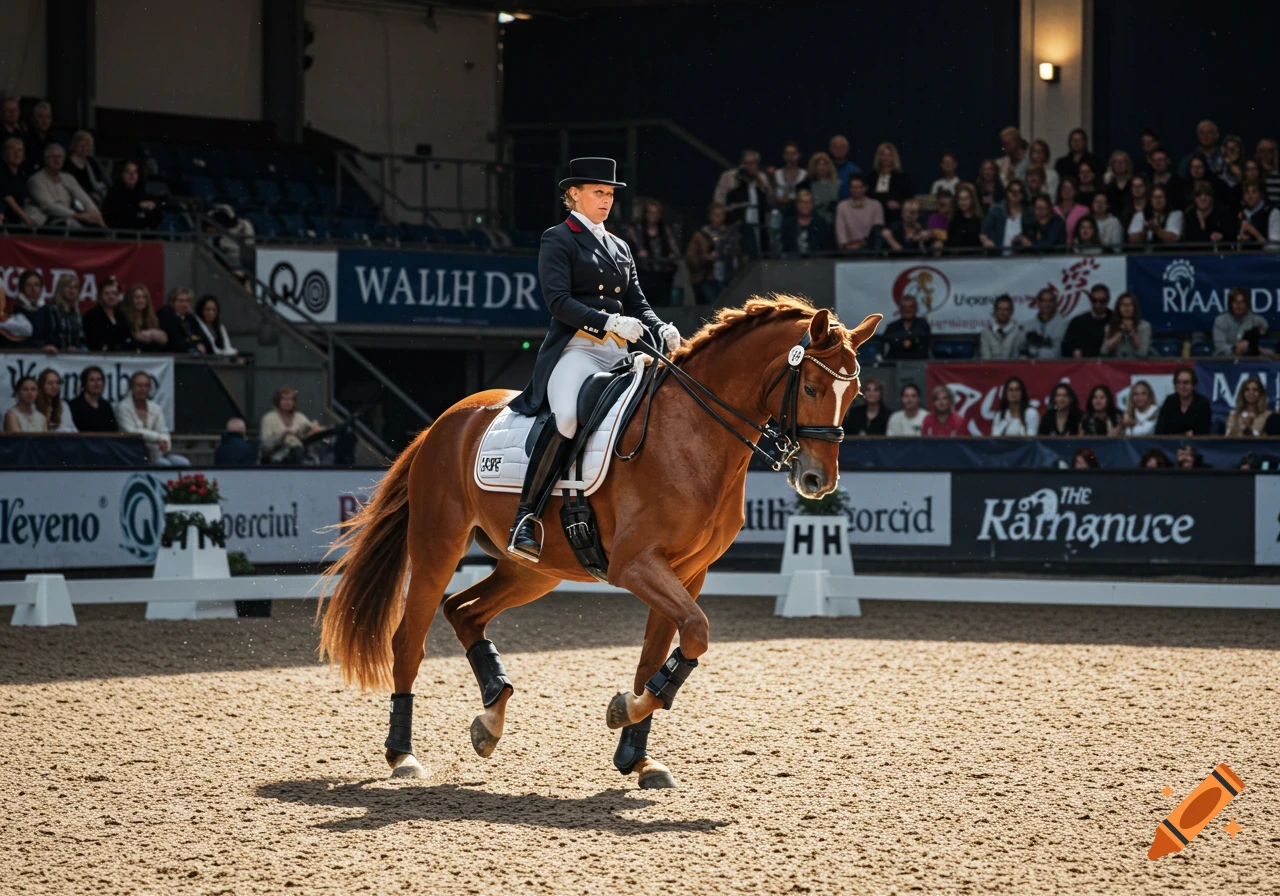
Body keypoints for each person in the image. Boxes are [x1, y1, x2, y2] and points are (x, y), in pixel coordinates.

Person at [505, 157, 679, 561]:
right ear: (573, 195)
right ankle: (525, 517)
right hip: (577, 351)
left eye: (610, 194)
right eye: (598, 193)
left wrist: (660, 328)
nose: (606, 201)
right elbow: (558, 302)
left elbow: (639, 303)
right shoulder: (558, 238)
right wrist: (609, 322)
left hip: (618, 355)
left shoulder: (619, 246)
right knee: (566, 417)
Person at [117, 371, 188, 465]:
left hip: (156, 453)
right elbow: (130, 431)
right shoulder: (123, 407)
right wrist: (156, 438)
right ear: (131, 387)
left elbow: (163, 430)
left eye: (146, 386)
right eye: (139, 385)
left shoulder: (155, 407)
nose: (142, 389)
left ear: (150, 388)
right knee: (164, 464)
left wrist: (165, 443)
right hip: (133, 454)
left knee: (183, 463)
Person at [25, 143, 104, 228]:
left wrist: (96, 214)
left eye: (59, 157)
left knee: (96, 225)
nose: (56, 160)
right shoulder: (35, 180)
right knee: (75, 225)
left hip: (68, 218)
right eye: (52, 156)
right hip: (44, 222)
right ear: (45, 159)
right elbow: (49, 207)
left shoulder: (68, 178)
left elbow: (84, 199)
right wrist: (79, 215)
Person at [714, 149, 772, 258]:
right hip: (735, 224)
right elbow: (718, 201)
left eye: (753, 163)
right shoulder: (728, 177)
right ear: (741, 163)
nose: (750, 167)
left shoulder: (762, 178)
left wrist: (759, 181)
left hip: (757, 223)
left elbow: (770, 200)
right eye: (747, 164)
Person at [625, 200, 681, 306]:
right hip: (644, 272)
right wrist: (638, 253)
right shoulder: (637, 229)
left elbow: (674, 248)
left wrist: (671, 256)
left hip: (663, 272)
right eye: (651, 213)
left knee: (663, 301)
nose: (653, 216)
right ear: (646, 214)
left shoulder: (664, 229)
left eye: (656, 213)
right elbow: (628, 248)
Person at [685, 201, 741, 304]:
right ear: (710, 216)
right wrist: (704, 259)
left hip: (727, 276)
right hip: (707, 277)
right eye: (715, 215)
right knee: (713, 305)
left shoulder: (729, 234)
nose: (718, 218)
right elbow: (690, 257)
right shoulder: (700, 236)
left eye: (721, 215)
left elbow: (736, 253)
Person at [260, 385, 325, 465]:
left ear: (294, 402)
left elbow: (309, 433)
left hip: (301, 454)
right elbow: (265, 446)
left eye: (290, 399)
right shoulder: (268, 418)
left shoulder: (300, 417)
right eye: (284, 399)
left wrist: (314, 430)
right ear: (277, 401)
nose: (287, 402)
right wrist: (283, 435)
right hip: (277, 458)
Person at [102, 159, 162, 230]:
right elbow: (114, 217)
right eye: (128, 172)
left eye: (135, 172)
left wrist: (152, 207)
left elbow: (157, 219)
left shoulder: (142, 193)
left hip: (142, 236)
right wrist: (138, 206)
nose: (132, 175)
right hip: (121, 235)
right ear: (122, 174)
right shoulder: (113, 193)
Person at [36, 273, 87, 354]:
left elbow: (80, 338)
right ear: (61, 288)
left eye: (75, 288)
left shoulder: (76, 313)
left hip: (75, 357)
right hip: (54, 355)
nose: (72, 290)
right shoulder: (49, 309)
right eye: (69, 287)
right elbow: (43, 336)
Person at [1155, 366, 1211, 435]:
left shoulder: (1202, 403)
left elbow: (1203, 431)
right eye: (1179, 382)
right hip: (1171, 444)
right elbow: (1159, 430)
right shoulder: (1170, 401)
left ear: (1194, 385)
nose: (1182, 386)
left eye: (1186, 382)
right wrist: (1184, 434)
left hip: (1196, 444)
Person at [1212, 286, 1268, 356]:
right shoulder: (1220, 321)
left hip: (1250, 361)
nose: (1238, 305)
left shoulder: (1257, 321)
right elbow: (1219, 348)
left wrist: (1250, 346)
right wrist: (1235, 348)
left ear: (1247, 304)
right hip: (1226, 361)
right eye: (1235, 302)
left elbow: (1264, 327)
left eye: (1242, 302)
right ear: (1230, 304)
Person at [82, 276, 133, 351]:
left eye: (114, 293)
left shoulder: (121, 315)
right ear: (100, 295)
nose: (111, 297)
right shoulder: (91, 316)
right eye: (107, 293)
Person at [835, 173, 884, 251]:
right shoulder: (842, 206)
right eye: (853, 187)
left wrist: (863, 244)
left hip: (871, 250)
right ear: (849, 188)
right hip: (848, 250)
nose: (856, 190)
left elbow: (877, 231)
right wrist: (846, 246)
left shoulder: (876, 205)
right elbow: (841, 233)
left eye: (860, 187)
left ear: (865, 188)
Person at [780, 189, 835, 256]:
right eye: (802, 202)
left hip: (818, 263)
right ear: (797, 204)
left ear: (812, 205)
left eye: (808, 202)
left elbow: (826, 249)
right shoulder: (788, 224)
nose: (805, 205)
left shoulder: (822, 224)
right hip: (793, 263)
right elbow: (785, 249)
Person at [1062, 284, 1113, 357]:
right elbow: (1065, 344)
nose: (1098, 305)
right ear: (1090, 300)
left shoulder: (1114, 320)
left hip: (1108, 365)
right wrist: (1073, 352)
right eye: (1094, 301)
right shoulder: (1078, 321)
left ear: (1108, 300)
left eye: (1102, 301)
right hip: (1083, 365)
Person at [158, 287, 211, 354]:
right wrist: (194, 346)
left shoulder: (191, 318)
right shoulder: (166, 315)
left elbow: (202, 337)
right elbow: (174, 340)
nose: (184, 304)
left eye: (187, 301)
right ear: (172, 302)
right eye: (181, 301)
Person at [68, 365, 120, 432]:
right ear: (84, 383)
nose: (96, 383)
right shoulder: (75, 405)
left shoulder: (106, 406)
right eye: (92, 380)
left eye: (99, 379)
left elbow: (114, 430)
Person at [868, 142, 912, 220]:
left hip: (895, 215)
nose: (886, 158)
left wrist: (899, 204)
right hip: (873, 214)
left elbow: (908, 197)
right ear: (879, 157)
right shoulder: (871, 177)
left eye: (889, 155)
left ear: (894, 157)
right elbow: (869, 196)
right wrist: (885, 203)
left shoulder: (903, 177)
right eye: (883, 155)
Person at [980, 179, 1026, 251]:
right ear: (1007, 193)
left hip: (1022, 257)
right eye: (1012, 192)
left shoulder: (1028, 213)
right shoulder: (996, 210)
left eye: (1018, 192)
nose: (1015, 195)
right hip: (999, 257)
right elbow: (983, 234)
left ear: (1023, 195)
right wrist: (986, 242)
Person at [1101, 292, 1151, 358]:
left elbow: (1142, 353)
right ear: (1118, 308)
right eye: (1123, 305)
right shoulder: (1110, 326)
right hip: (1117, 366)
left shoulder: (1144, 326)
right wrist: (1120, 332)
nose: (1127, 308)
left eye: (1130, 305)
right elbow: (1104, 351)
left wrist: (1132, 331)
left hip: (1137, 365)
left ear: (1134, 307)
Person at [122, 283, 169, 352]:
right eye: (137, 297)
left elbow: (164, 339)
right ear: (130, 299)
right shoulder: (123, 317)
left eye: (144, 297)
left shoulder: (152, 318)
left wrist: (152, 333)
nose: (141, 300)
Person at [66, 131, 109, 206]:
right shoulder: (67, 163)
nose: (84, 148)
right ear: (74, 145)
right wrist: (89, 194)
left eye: (87, 145)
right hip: (77, 198)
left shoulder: (91, 161)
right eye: (81, 145)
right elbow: (71, 186)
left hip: (97, 193)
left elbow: (104, 178)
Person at [881, 295, 930, 360]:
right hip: (895, 365)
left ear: (916, 308)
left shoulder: (922, 324)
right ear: (900, 309)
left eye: (911, 307)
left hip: (918, 364)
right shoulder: (892, 327)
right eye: (904, 307)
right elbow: (884, 339)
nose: (908, 310)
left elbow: (921, 334)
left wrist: (898, 339)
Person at [1023, 287, 1068, 359]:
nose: (1047, 304)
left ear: (1055, 303)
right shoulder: (1027, 325)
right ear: (1038, 302)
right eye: (1043, 301)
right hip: (1030, 367)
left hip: (1055, 367)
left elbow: (1060, 351)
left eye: (1050, 301)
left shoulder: (1065, 325)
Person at [0, 137, 36, 226]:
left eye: (20, 150)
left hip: (18, 217)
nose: (16, 153)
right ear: (5, 153)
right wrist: (26, 219)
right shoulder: (2, 171)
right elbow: (7, 197)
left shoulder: (22, 174)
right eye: (12, 150)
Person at [1235, 180, 1280, 247]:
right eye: (1247, 192)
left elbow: (1274, 248)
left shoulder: (1272, 213)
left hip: (1265, 257)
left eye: (1254, 192)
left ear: (1260, 194)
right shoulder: (1240, 214)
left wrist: (1253, 231)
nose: (1250, 196)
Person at [979, 294, 1025, 359]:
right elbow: (986, 357)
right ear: (995, 311)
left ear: (1011, 311)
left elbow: (1021, 357)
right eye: (999, 309)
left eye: (1006, 309)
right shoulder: (986, 332)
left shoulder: (1019, 330)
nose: (1002, 313)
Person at [33, 368, 76, 433]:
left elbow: (72, 429)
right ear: (42, 385)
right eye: (50, 383)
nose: (54, 386)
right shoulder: (33, 405)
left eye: (57, 383)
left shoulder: (63, 405)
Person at [942, 183, 982, 251]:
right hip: (958, 259)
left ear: (972, 200)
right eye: (960, 199)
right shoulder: (953, 221)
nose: (963, 202)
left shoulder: (980, 220)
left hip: (976, 258)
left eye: (966, 198)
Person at [804, 152, 841, 221]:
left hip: (834, 221)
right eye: (819, 164)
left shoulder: (837, 184)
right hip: (814, 221)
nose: (822, 167)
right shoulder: (807, 185)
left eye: (824, 164)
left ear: (829, 166)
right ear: (814, 167)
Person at [772, 141, 807, 210]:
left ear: (798, 155)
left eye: (793, 153)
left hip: (798, 211)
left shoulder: (805, 174)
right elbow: (772, 194)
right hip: (780, 209)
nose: (791, 156)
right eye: (788, 154)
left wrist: (792, 199)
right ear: (784, 156)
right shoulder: (776, 174)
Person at [1054, 177, 1088, 242]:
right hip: (1055, 249)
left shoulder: (1084, 211)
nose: (1067, 191)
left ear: (1075, 191)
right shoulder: (1053, 210)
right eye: (1064, 188)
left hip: (1076, 248)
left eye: (1070, 188)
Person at [23, 101, 54, 173]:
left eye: (48, 117)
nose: (45, 120)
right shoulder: (26, 141)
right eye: (41, 117)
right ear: (33, 119)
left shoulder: (53, 141)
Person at [827, 134, 860, 200]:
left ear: (847, 149)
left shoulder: (855, 170)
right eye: (835, 147)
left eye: (841, 147)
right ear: (830, 149)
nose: (838, 149)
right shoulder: (825, 169)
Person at [1256, 137, 1280, 207]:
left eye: (1270, 150)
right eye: (1262, 150)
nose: (1266, 153)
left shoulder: (1278, 173)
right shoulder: (1254, 172)